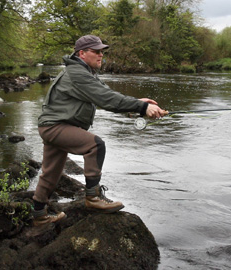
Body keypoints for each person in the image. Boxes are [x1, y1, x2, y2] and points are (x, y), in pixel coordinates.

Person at [31, 35, 167, 226]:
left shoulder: (85, 72)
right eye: (96, 51)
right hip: (56, 127)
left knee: (51, 172)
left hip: (55, 126)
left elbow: (109, 93)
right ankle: (93, 198)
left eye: (102, 51)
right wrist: (142, 108)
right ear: (82, 53)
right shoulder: (77, 73)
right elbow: (106, 99)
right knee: (95, 145)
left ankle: (39, 215)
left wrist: (138, 103)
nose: (101, 55)